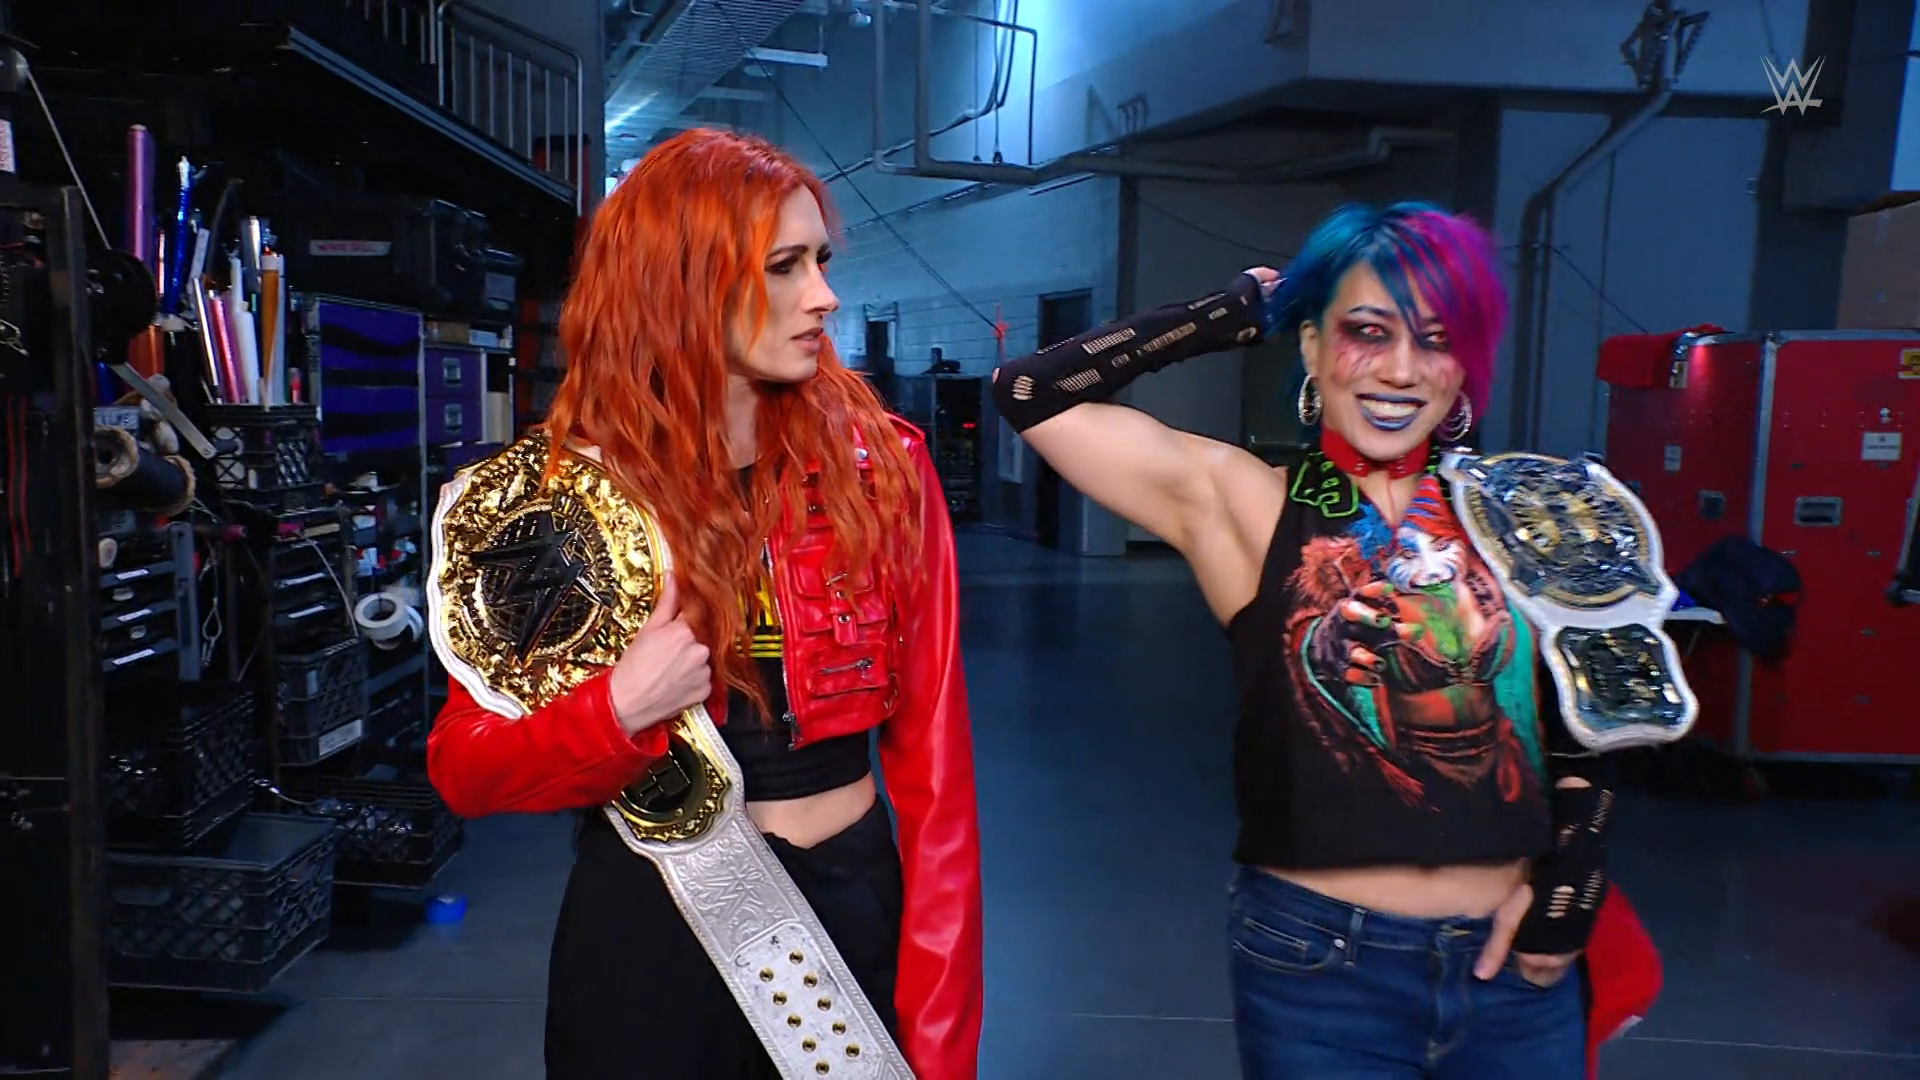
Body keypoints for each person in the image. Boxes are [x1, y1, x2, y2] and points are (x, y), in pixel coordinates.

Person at [990, 201, 1660, 1078]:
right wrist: (1232, 312)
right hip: (1318, 969)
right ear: (1310, 347)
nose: (1401, 370)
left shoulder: (1523, 510)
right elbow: (1033, 391)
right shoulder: (1246, 503)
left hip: (1513, 974)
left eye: (1436, 340)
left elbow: (1589, 719)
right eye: (1366, 332)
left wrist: (1571, 887)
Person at [424, 129, 983, 1080]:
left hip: (851, 915)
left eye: (821, 261)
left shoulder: (883, 468)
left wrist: (941, 1042)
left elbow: (940, 781)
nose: (824, 295)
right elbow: (464, 770)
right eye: (784, 266)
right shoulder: (562, 500)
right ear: (684, 285)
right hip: (651, 923)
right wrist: (616, 712)